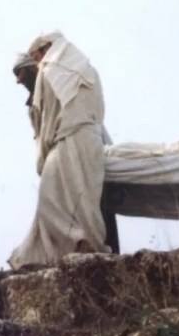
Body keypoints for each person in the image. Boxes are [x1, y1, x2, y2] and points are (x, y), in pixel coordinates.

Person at [8, 32, 111, 269]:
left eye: (20, 72)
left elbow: (49, 123)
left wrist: (42, 158)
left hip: (68, 141)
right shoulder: (82, 70)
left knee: (53, 197)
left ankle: (82, 241)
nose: (18, 80)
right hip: (86, 140)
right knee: (79, 198)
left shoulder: (51, 73)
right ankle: (75, 243)